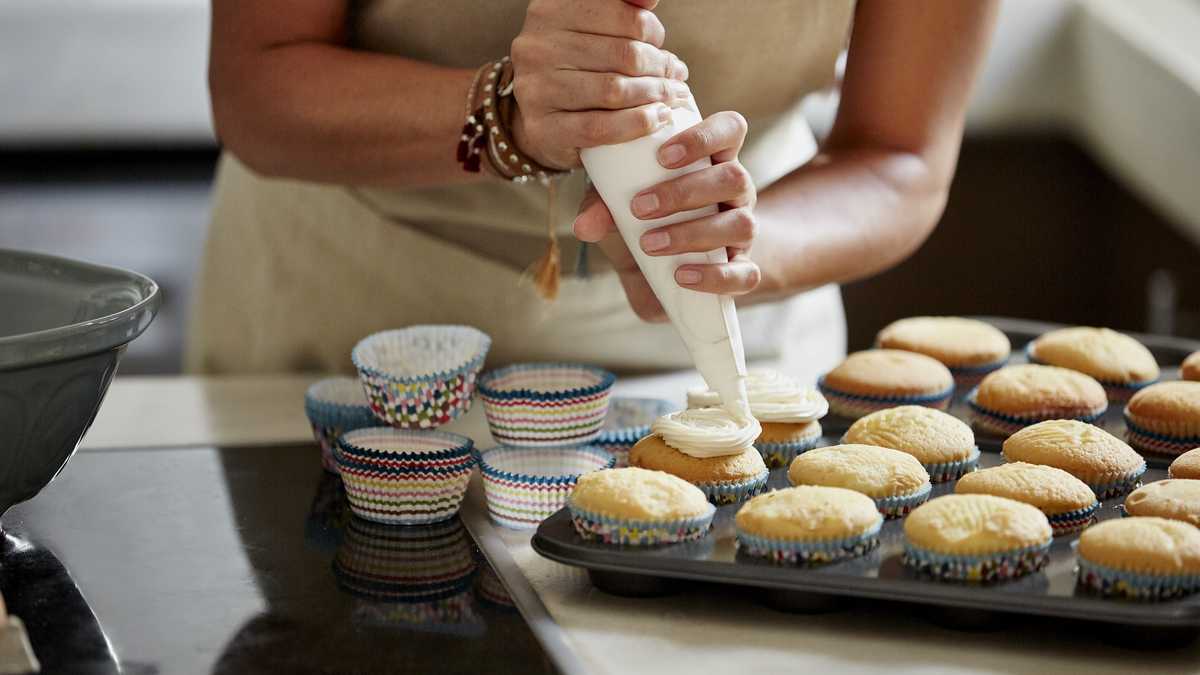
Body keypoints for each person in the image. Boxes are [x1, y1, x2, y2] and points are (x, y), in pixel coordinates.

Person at [189, 0, 998, 384]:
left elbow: (900, 155)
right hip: (349, 328)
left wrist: (731, 244)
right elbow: (256, 80)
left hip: (725, 358)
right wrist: (499, 113)